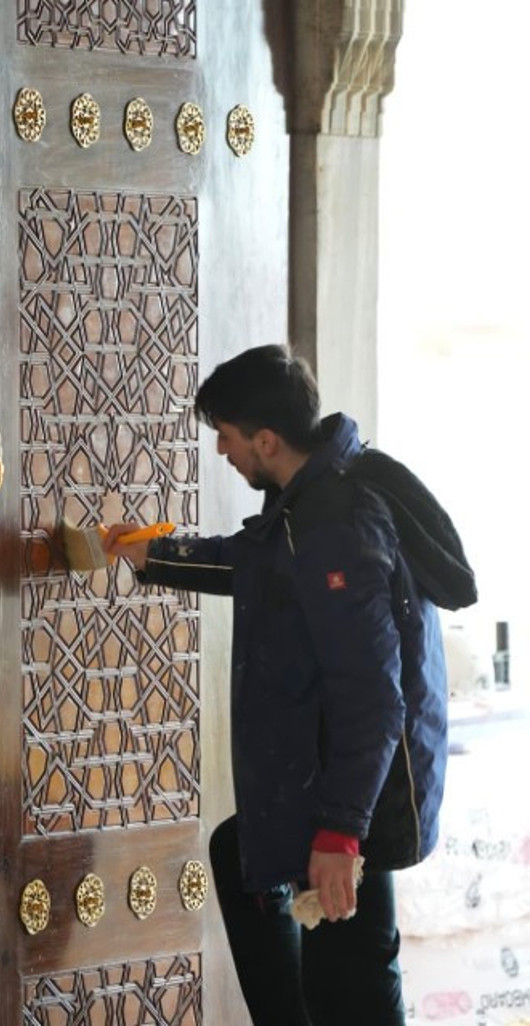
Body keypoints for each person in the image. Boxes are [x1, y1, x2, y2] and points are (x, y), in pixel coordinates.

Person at [103, 345, 460, 1025]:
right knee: (250, 865)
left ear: (265, 440)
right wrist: (159, 554)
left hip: (353, 794)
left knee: (348, 988)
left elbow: (373, 697)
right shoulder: (309, 506)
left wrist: (340, 836)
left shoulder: (335, 525)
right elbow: (254, 562)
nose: (222, 452)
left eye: (227, 438)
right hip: (331, 785)